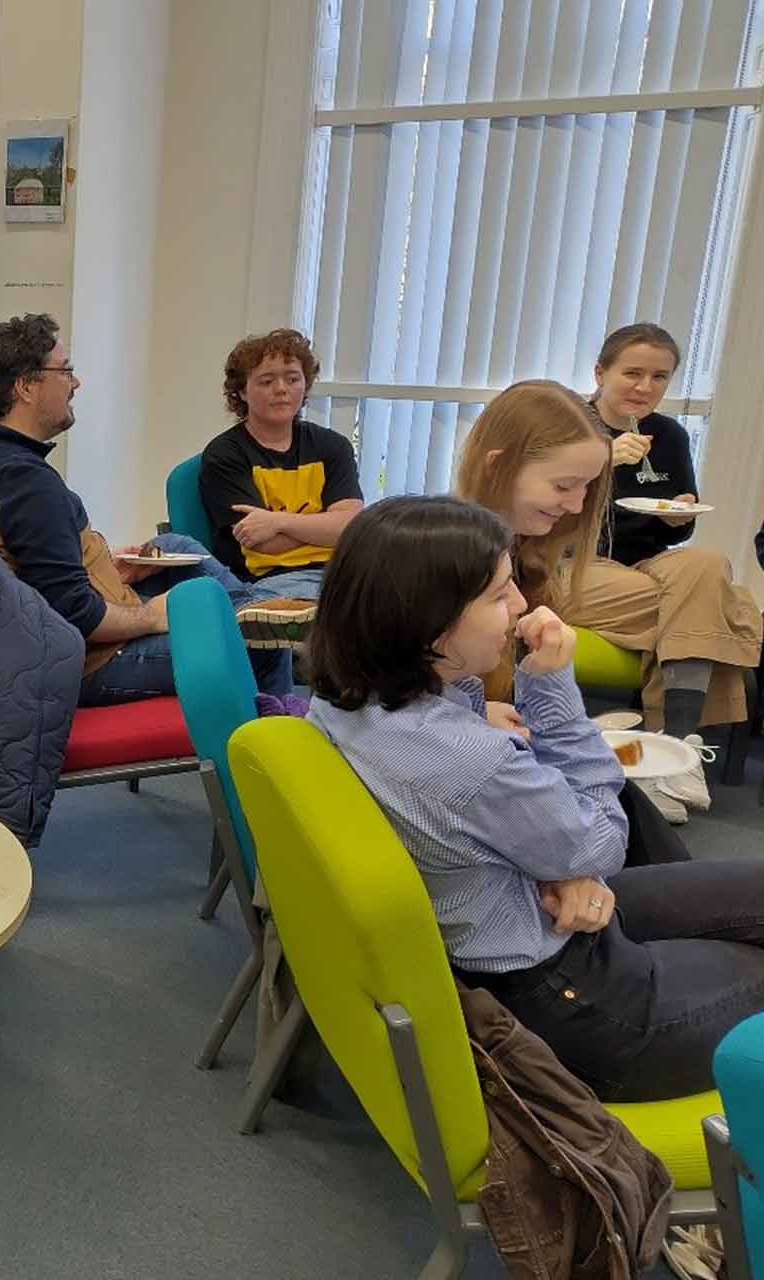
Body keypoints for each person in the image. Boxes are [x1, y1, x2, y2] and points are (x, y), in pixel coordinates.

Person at [305, 494, 764, 1106]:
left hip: (527, 931)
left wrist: (567, 863)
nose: (521, 606)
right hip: (581, 1007)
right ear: (429, 622)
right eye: (499, 594)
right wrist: (551, 688)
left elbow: (561, 841)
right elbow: (604, 841)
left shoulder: (346, 702)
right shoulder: (469, 760)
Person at [0, 313, 301, 706]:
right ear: (25, 387)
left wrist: (103, 565)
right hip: (91, 660)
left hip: (45, 627)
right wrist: (153, 617)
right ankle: (265, 730)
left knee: (177, 545)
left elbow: (33, 562)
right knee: (263, 643)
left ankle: (256, 611)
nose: (75, 383)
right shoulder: (29, 487)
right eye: (65, 370)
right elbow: (79, 616)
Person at [457, 378, 743, 819]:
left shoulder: (525, 552)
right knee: (726, 605)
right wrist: (474, 715)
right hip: (494, 795)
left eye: (587, 489)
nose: (576, 506)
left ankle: (673, 744)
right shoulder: (451, 565)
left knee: (708, 573)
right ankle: (676, 744)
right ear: (497, 467)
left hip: (510, 773)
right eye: (564, 486)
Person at [567, 322, 759, 740]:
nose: (644, 387)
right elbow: (539, 515)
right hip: (573, 562)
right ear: (600, 373)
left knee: (708, 563)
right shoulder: (568, 426)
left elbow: (677, 528)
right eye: (632, 373)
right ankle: (677, 743)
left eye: (659, 377)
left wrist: (680, 516)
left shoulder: (669, 434)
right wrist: (600, 462)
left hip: (643, 564)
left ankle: (672, 746)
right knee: (715, 603)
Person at [199, 328, 363, 599]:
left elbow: (351, 528)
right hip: (266, 582)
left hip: (339, 574)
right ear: (241, 392)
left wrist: (276, 521)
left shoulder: (333, 446)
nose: (281, 390)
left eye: (292, 379)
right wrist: (326, 527)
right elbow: (264, 542)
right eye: (266, 381)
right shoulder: (225, 454)